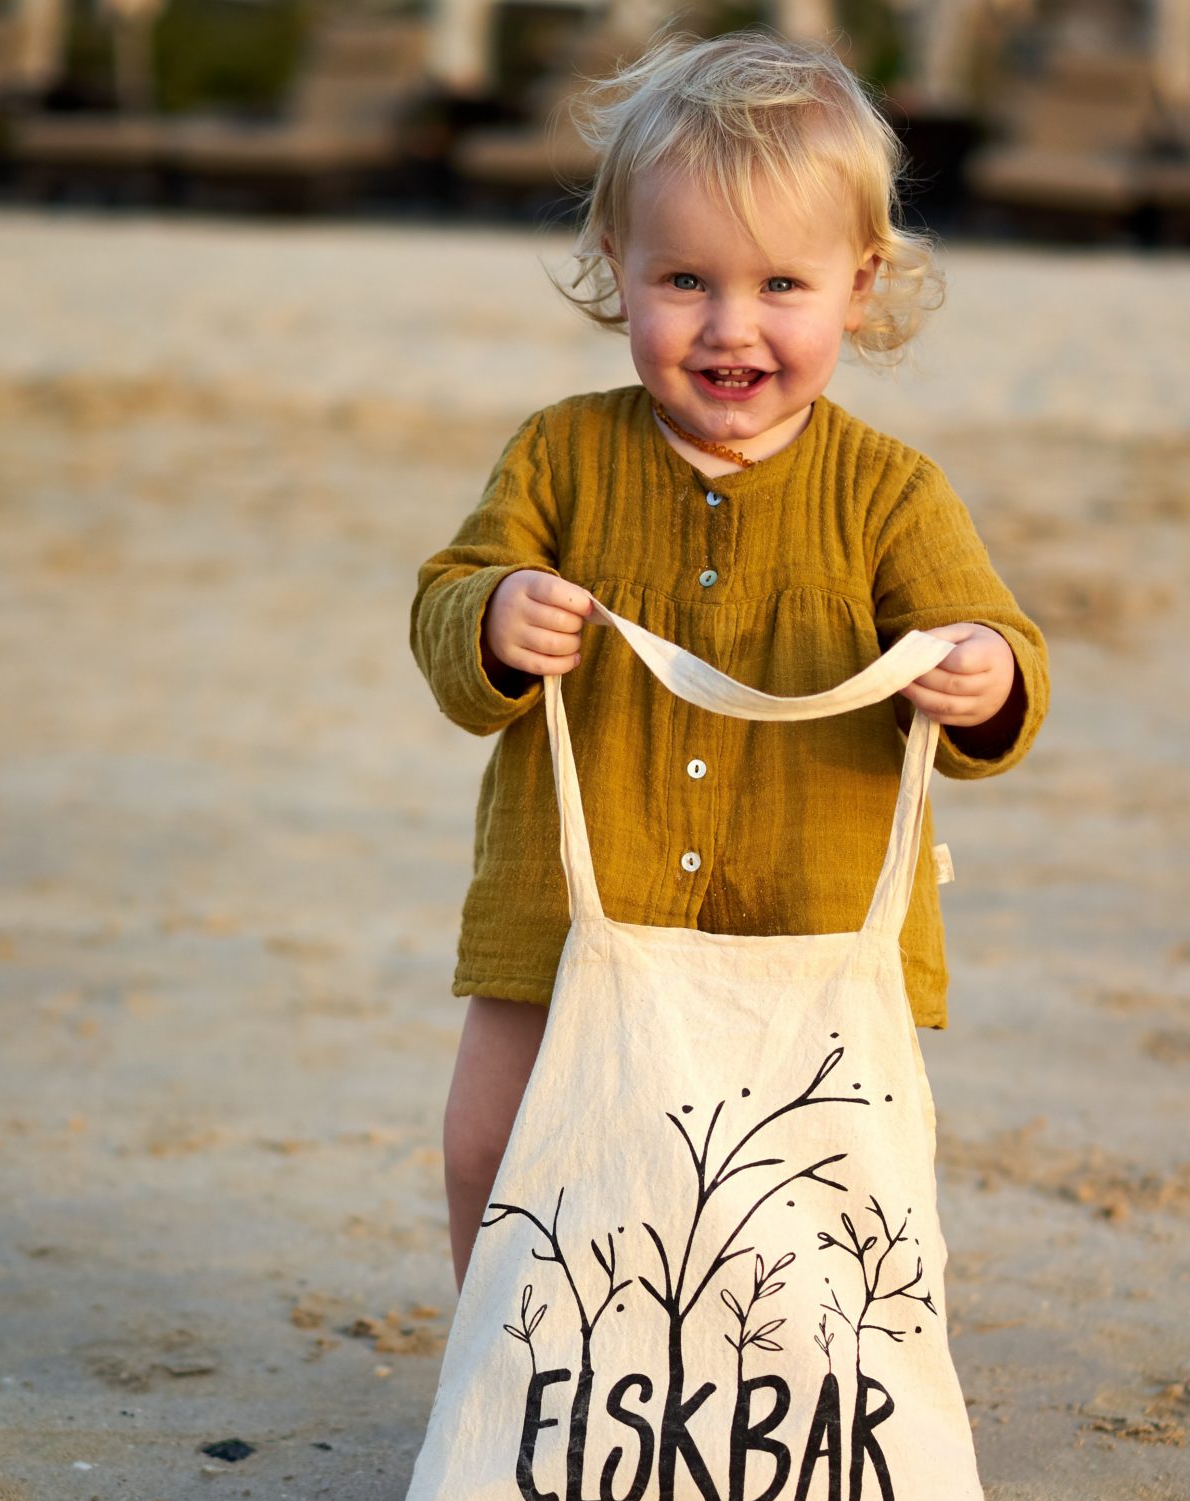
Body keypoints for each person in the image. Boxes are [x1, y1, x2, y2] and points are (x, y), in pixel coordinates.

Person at [411, 30, 1049, 1289]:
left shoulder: (890, 496)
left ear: (858, 286)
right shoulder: (557, 457)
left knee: (798, 1204)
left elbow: (1001, 650)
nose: (730, 326)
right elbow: (442, 607)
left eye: (780, 287)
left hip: (802, 943)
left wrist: (983, 675)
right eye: (686, 280)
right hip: (569, 919)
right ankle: (515, 1387)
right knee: (496, 1148)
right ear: (618, 266)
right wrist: (491, 614)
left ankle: (778, 1411)